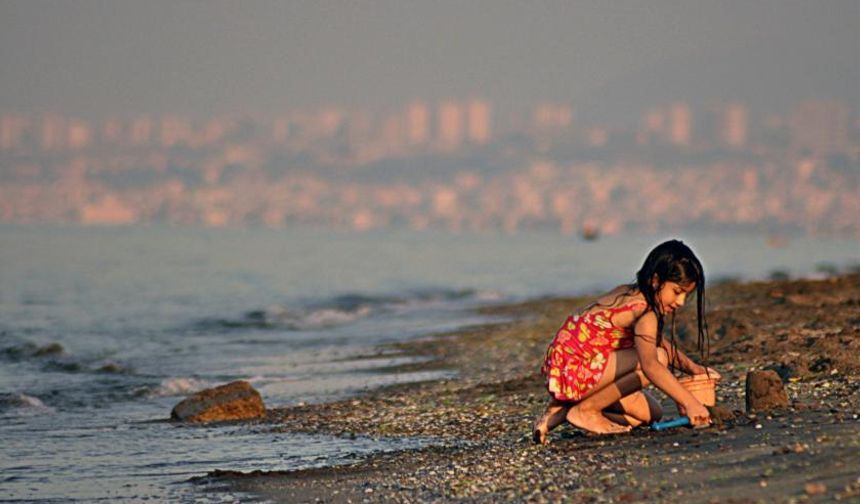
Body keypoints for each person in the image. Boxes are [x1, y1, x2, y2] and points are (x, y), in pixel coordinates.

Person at [532, 239, 720, 444]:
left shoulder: (630, 293)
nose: (681, 302)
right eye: (677, 292)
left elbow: (656, 340)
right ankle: (586, 410)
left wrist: (693, 369)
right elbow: (651, 364)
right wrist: (690, 403)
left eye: (686, 295)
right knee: (656, 358)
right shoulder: (645, 312)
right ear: (656, 281)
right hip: (573, 370)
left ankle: (562, 411)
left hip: (566, 369)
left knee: (650, 414)